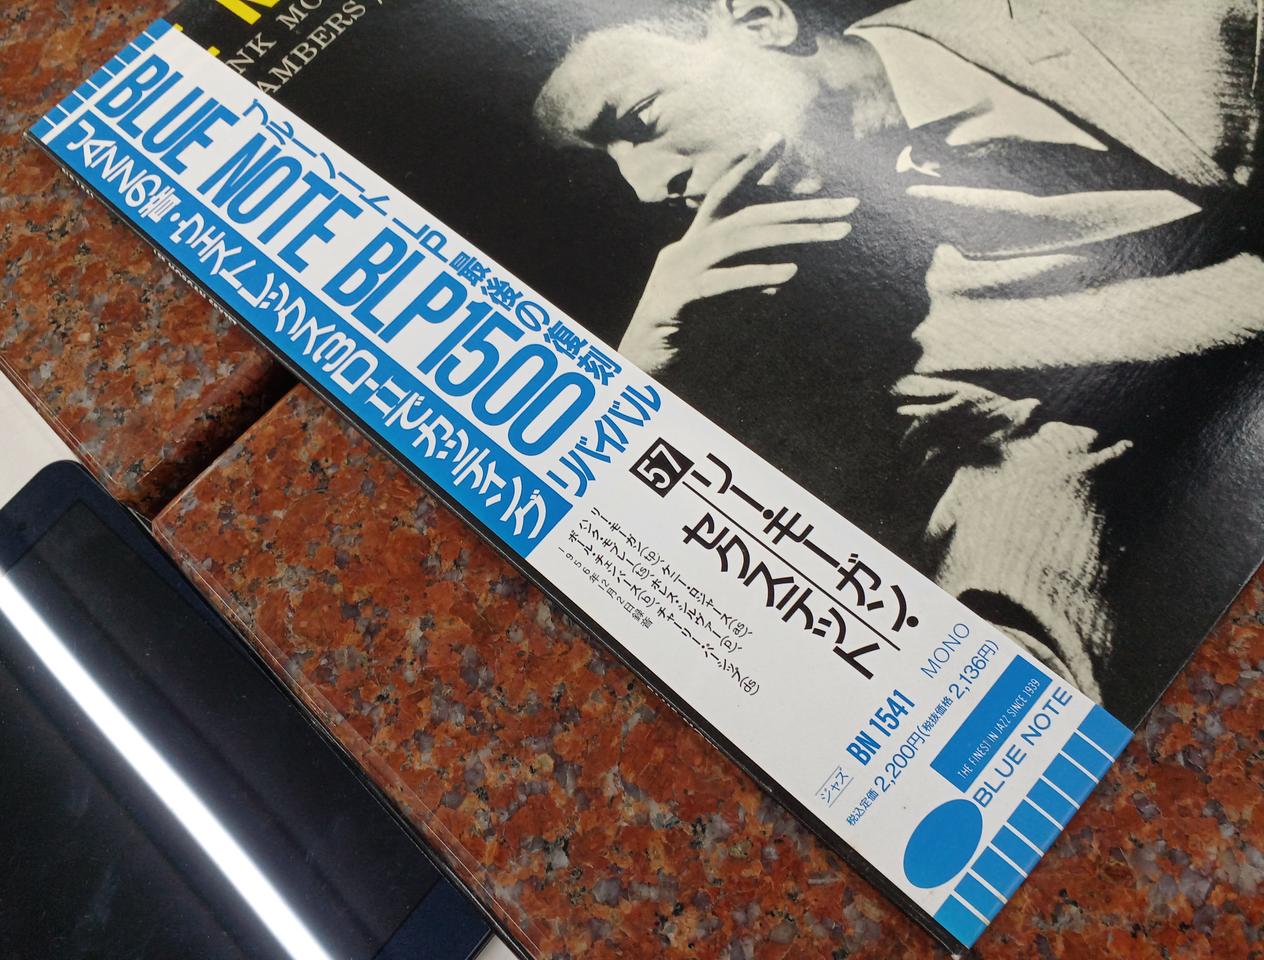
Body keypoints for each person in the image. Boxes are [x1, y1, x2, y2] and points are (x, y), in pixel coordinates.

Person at [534, 0, 1264, 717]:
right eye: (610, 161)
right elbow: (1013, 566)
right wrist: (639, 382)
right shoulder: (878, 326)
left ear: (760, 20)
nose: (645, 187)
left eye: (641, 118)